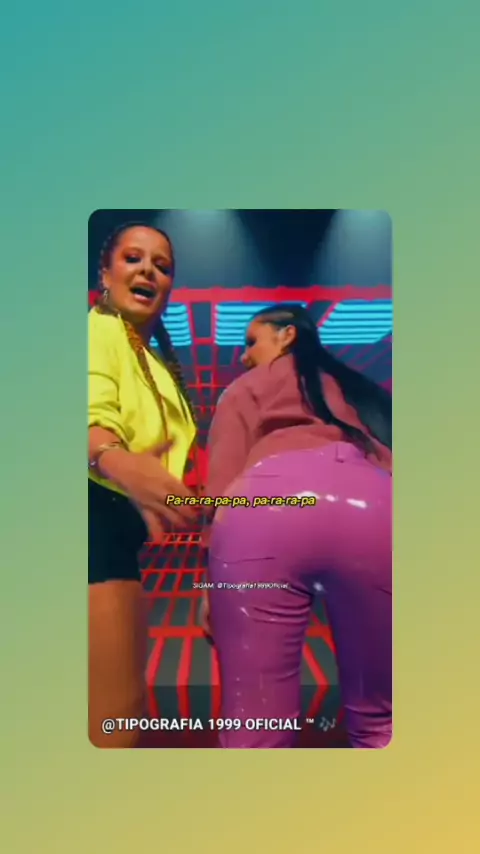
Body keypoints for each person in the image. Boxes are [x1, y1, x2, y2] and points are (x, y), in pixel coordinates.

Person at [203, 303, 392, 749]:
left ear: (287, 334)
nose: (244, 356)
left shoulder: (245, 387)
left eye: (251, 342)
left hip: (266, 508)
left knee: (255, 724)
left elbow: (221, 484)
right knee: (383, 721)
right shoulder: (356, 389)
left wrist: (210, 579)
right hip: (373, 506)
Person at [88, 222, 198, 747]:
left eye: (162, 265)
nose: (148, 270)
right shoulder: (98, 330)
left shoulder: (152, 358)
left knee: (123, 713)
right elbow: (86, 411)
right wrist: (113, 458)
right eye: (133, 258)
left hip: (118, 534)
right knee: (113, 720)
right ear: (105, 274)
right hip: (89, 524)